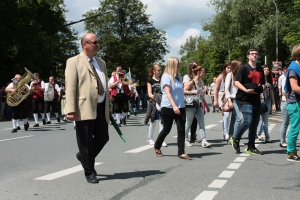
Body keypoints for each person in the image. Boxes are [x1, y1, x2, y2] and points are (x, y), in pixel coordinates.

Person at [65, 33, 110, 183]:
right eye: (94, 42)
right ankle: (89, 171)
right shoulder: (73, 62)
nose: (97, 44)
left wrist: (108, 105)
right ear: (84, 44)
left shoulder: (101, 62)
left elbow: (105, 84)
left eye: (98, 42)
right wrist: (70, 109)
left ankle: (83, 157)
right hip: (83, 106)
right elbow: (70, 87)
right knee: (85, 140)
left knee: (104, 137)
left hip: (101, 106)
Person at [154, 57, 191, 160]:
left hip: (181, 106)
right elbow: (168, 92)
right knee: (167, 128)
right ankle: (157, 146)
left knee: (181, 129)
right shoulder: (166, 76)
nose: (179, 65)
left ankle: (181, 152)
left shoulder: (178, 76)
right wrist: (174, 106)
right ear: (173, 64)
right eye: (178, 63)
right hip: (169, 107)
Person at [230, 48, 265, 155]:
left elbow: (263, 83)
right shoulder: (244, 68)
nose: (255, 55)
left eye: (256, 54)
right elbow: (236, 82)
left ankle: (251, 146)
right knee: (247, 120)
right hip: (245, 99)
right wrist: (246, 90)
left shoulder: (260, 69)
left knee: (254, 124)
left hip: (256, 99)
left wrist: (260, 88)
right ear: (248, 56)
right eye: (252, 54)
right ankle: (235, 138)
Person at [184, 65, 211, 148]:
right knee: (188, 123)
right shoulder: (192, 82)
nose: (204, 74)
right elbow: (184, 90)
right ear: (198, 73)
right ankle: (185, 139)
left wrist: (206, 106)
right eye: (203, 72)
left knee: (202, 123)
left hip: (199, 105)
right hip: (191, 105)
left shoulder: (201, 82)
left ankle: (204, 140)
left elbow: (202, 95)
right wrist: (192, 92)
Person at [284, 44, 300, 162]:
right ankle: (291, 152)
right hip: (295, 103)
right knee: (294, 128)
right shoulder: (294, 69)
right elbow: (294, 87)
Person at [145, 64, 167, 147]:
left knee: (162, 122)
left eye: (161, 70)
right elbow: (150, 94)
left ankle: (161, 140)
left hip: (162, 103)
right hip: (154, 103)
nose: (160, 72)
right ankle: (150, 138)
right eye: (158, 70)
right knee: (153, 121)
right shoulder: (150, 81)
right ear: (154, 71)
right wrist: (157, 99)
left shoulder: (162, 80)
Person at [256, 65, 276, 142]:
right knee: (263, 120)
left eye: (268, 69)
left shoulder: (269, 80)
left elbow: (271, 93)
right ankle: (267, 137)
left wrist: (274, 103)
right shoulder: (259, 80)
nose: (267, 71)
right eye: (265, 69)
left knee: (265, 119)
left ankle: (258, 133)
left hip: (268, 101)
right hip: (261, 100)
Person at [224, 60, 242, 143]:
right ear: (235, 66)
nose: (241, 67)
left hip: (239, 99)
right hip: (232, 98)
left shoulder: (239, 75)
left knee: (234, 119)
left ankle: (230, 137)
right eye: (239, 65)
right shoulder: (230, 75)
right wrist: (229, 101)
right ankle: (235, 139)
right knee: (239, 118)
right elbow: (226, 89)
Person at [182, 62, 199, 146]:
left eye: (196, 67)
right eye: (193, 67)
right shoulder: (186, 77)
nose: (195, 68)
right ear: (190, 68)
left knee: (195, 119)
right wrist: (192, 91)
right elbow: (185, 88)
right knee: (188, 120)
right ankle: (185, 138)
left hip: (196, 100)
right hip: (189, 99)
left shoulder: (197, 77)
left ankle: (193, 136)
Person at [214, 62, 232, 140]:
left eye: (231, 67)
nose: (229, 69)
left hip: (230, 96)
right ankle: (225, 132)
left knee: (229, 116)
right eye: (228, 67)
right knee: (226, 115)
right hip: (222, 96)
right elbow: (216, 88)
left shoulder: (233, 76)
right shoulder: (221, 76)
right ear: (225, 68)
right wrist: (215, 100)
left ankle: (225, 133)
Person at [278, 67, 288, 147]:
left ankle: (288, 138)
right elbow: (285, 92)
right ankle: (282, 141)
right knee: (285, 122)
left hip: (292, 102)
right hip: (285, 102)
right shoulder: (283, 78)